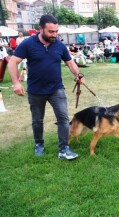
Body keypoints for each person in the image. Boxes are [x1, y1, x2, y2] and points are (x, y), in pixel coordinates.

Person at [7, 15, 85, 160]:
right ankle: (39, 144)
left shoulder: (59, 45)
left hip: (56, 89)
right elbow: (13, 62)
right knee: (37, 120)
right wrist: (16, 83)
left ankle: (63, 149)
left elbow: (70, 62)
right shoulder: (28, 44)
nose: (54, 35)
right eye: (51, 32)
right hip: (36, 91)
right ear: (40, 29)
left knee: (63, 118)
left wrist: (78, 74)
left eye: (56, 31)